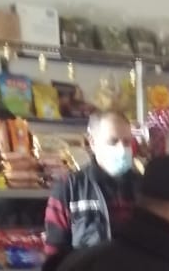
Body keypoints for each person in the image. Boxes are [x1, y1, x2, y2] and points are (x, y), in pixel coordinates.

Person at [43, 109, 139, 257]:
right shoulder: (69, 188)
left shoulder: (144, 189)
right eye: (113, 141)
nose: (122, 149)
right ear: (92, 143)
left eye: (126, 142)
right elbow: (54, 252)